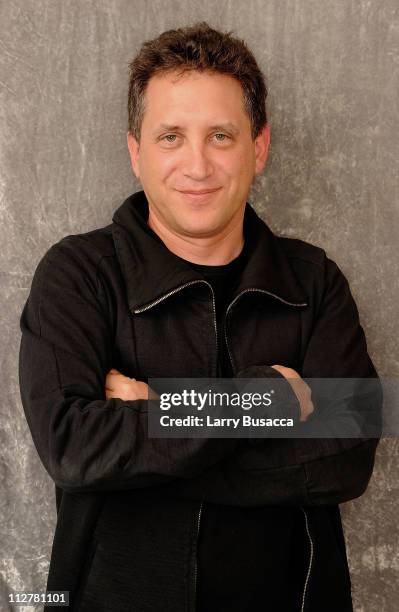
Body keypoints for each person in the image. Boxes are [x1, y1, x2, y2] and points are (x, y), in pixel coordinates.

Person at [18, 21, 382, 612]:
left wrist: (154, 417)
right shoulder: (77, 274)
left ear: (258, 147)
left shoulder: (314, 280)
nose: (197, 165)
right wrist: (266, 399)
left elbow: (347, 460)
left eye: (220, 135)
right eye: (170, 137)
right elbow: (74, 448)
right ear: (135, 151)